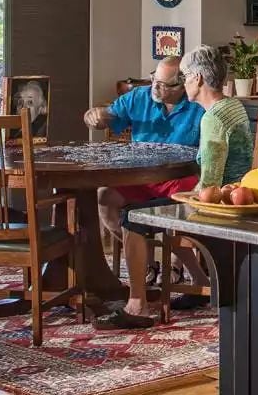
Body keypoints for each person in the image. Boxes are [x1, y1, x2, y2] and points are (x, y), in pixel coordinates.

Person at [96, 45, 252, 328]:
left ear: (198, 80)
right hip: (233, 197)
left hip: (216, 206)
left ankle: (138, 306)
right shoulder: (231, 106)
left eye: (186, 76)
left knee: (133, 217)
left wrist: (181, 198)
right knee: (124, 204)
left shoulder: (212, 118)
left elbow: (209, 186)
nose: (185, 80)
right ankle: (197, 282)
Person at [83, 56, 203, 252]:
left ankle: (180, 268)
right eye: (154, 78)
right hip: (140, 177)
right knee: (104, 197)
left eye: (162, 84)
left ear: (181, 86)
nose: (154, 86)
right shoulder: (139, 96)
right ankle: (144, 260)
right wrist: (94, 116)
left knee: (185, 208)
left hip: (179, 180)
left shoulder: (197, 106)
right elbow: (106, 117)